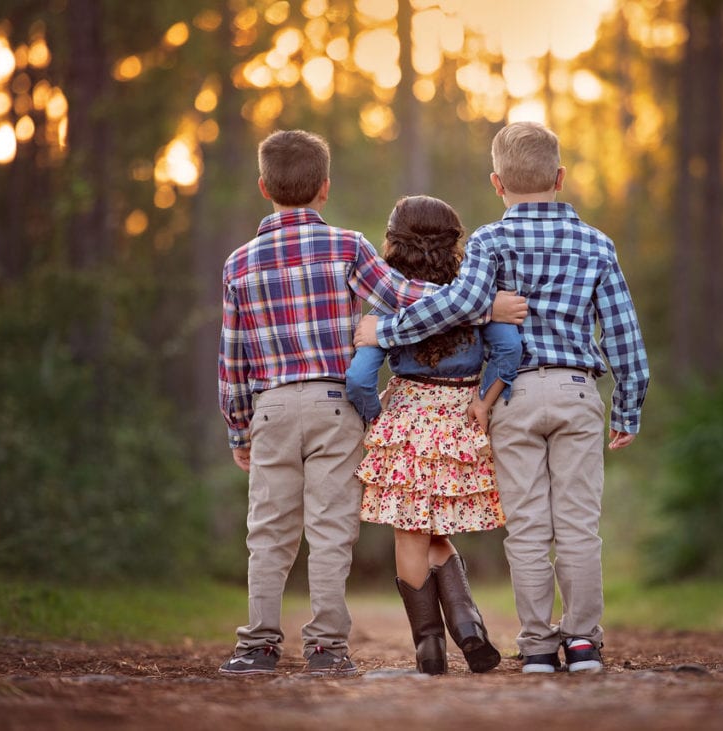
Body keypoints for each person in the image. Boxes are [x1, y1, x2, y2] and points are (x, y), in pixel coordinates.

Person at [217, 130, 526, 677]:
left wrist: (240, 430)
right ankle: (326, 647)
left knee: (268, 531)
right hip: (334, 404)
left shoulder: (239, 264)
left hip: (269, 407)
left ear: (264, 186)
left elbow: (232, 359)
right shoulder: (348, 247)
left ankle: (258, 645)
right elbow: (408, 297)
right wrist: (483, 305)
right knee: (333, 529)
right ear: (325, 189)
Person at [353, 121, 650, 674]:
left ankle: (538, 645)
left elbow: (457, 307)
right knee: (580, 525)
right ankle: (583, 642)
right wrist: (628, 404)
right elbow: (624, 335)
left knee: (530, 527)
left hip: (514, 398)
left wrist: (387, 332)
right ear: (560, 177)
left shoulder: (490, 242)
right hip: (577, 391)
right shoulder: (597, 244)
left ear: (497, 183)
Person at [345, 195, 522, 676]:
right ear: (453, 242)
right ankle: (468, 628)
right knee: (433, 528)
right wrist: (483, 403)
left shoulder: (386, 301)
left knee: (412, 532)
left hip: (407, 416)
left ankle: (430, 648)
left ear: (395, 241)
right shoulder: (476, 295)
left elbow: (360, 379)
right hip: (461, 418)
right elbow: (509, 352)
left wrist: (374, 416)